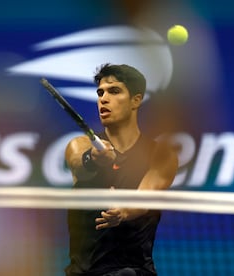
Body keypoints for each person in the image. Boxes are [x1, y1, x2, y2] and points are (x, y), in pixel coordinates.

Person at [64, 63, 179, 276]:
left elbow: (145, 197)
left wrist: (123, 210)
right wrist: (93, 159)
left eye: (114, 91)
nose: (103, 99)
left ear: (136, 100)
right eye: (100, 93)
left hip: (134, 272)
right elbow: (80, 166)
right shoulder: (79, 145)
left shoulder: (161, 156)